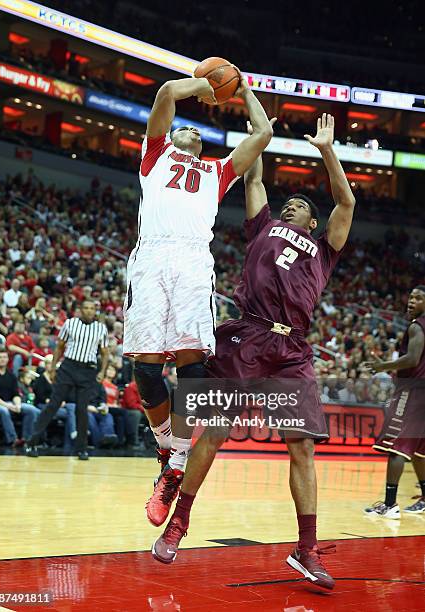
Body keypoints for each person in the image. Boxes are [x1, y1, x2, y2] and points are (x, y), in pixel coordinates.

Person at [151, 114, 356, 592]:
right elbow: (255, 175)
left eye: (302, 205)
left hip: (291, 350)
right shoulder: (262, 223)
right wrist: (258, 132)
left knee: (302, 446)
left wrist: (327, 150)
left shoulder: (325, 248)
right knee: (215, 431)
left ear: (312, 221)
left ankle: (306, 549)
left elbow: (345, 200)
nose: (293, 206)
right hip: (246, 334)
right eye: (290, 204)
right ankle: (178, 524)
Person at [122, 70, 274, 521]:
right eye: (182, 127)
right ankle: (168, 450)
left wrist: (243, 91)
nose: (187, 129)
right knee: (145, 370)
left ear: (204, 146)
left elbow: (263, 133)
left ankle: (178, 465)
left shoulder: (218, 171)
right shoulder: (154, 154)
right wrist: (205, 85)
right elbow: (167, 91)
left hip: (191, 262)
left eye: (195, 130)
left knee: (192, 366)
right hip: (150, 258)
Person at [363, 286, 425, 517]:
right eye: (410, 297)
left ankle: (390, 504)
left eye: (418, 298)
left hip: (414, 392)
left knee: (397, 447)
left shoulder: (417, 326)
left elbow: (412, 359)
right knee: (419, 450)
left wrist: (382, 367)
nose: (411, 301)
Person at [25, 300, 109, 460]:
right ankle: (32, 442)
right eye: (86, 307)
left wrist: (103, 371)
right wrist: (53, 366)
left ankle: (81, 449)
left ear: (95, 311)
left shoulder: (101, 328)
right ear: (80, 309)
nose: (89, 310)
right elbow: (60, 346)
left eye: (92, 308)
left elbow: (105, 353)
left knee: (82, 410)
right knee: (53, 405)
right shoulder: (69, 323)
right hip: (68, 366)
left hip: (88, 370)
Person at [0, 347, 40, 446]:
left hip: (10, 402)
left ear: (8, 359)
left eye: (4, 357)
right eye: (0, 357)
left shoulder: (11, 375)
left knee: (32, 409)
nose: (2, 359)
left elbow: (15, 394)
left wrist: (17, 405)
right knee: (4, 411)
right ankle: (13, 439)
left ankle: (26, 439)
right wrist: (8, 406)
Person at [33, 354, 77, 453]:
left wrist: (61, 401)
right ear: (45, 365)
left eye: (53, 363)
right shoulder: (40, 379)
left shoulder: (59, 378)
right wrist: (55, 401)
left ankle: (71, 437)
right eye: (49, 363)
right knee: (70, 414)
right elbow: (40, 396)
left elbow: (64, 393)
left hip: (57, 405)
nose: (51, 366)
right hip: (43, 404)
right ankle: (72, 436)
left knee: (71, 407)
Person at [86, 381, 118, 448]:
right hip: (84, 409)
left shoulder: (98, 385)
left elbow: (103, 399)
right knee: (90, 417)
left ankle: (107, 437)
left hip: (97, 409)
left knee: (108, 416)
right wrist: (86, 406)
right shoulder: (79, 384)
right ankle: (98, 442)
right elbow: (72, 399)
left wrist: (103, 406)